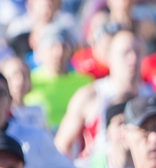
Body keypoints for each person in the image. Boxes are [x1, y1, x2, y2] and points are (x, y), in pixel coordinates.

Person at [54, 28, 150, 160]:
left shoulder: (152, 98)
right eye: (126, 53)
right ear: (109, 56)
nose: (133, 59)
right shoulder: (91, 96)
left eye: (137, 52)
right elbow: (61, 146)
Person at [25, 23, 92, 130]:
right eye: (52, 47)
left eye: (64, 47)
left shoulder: (85, 82)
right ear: (42, 52)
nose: (59, 53)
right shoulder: (29, 82)